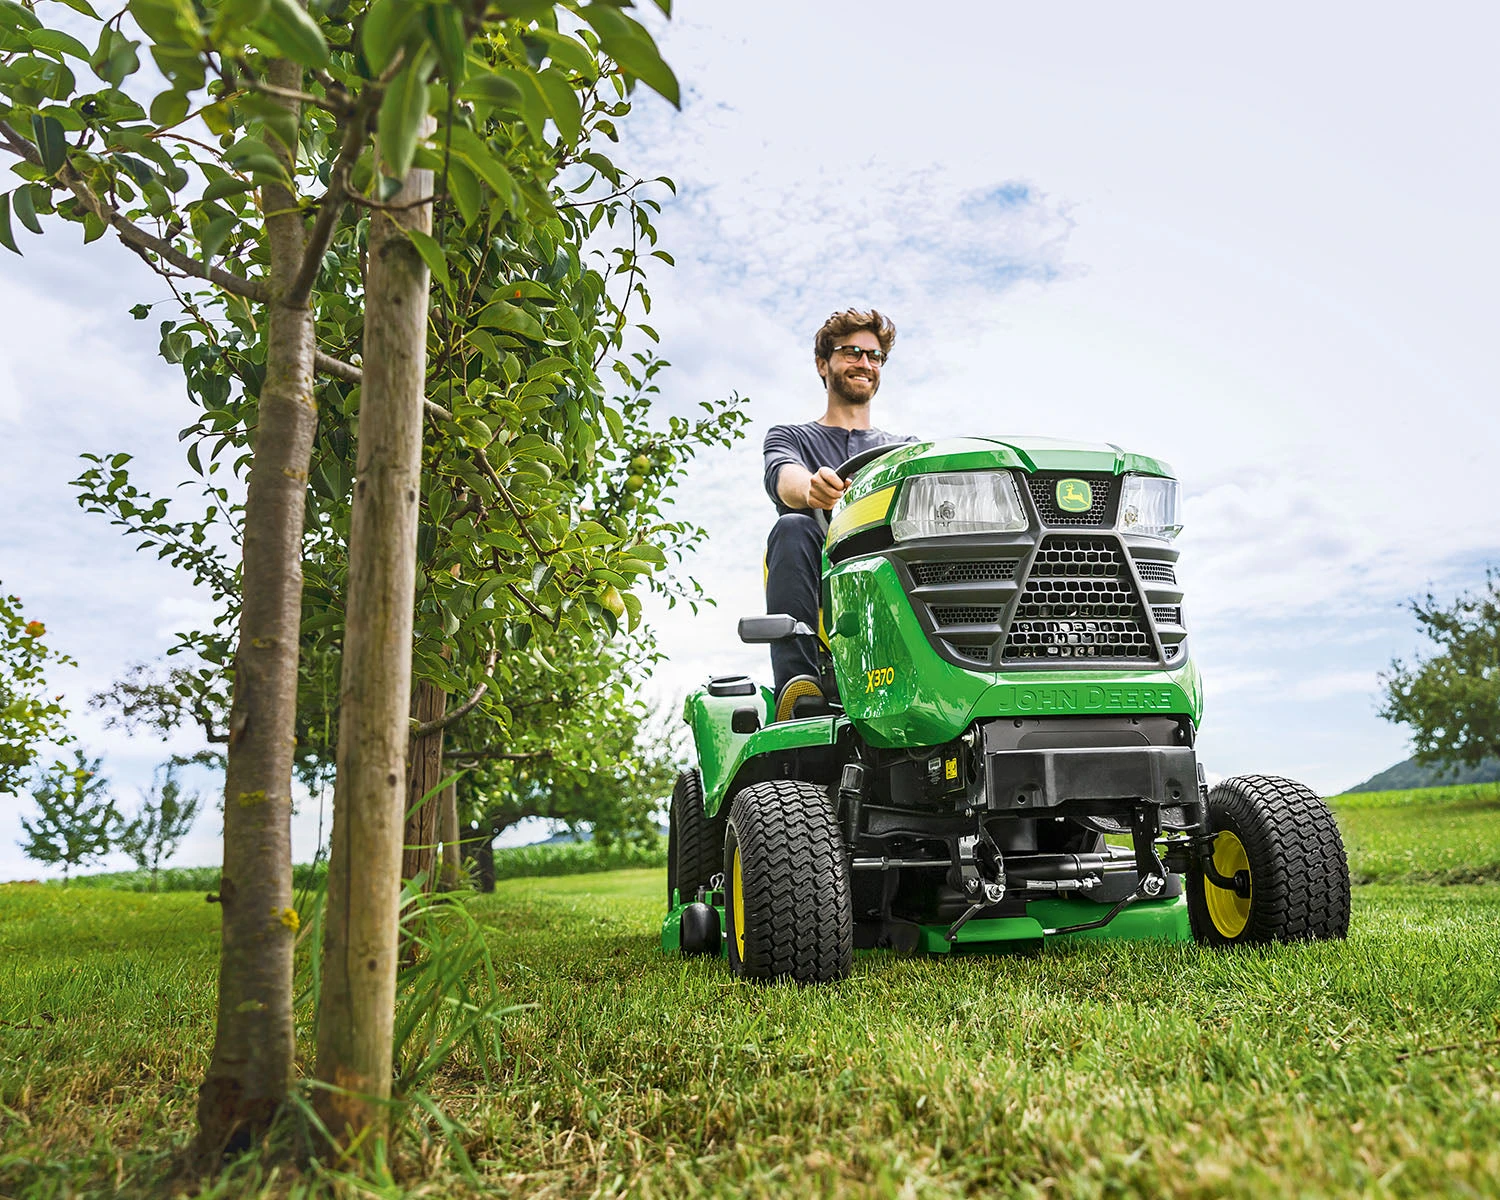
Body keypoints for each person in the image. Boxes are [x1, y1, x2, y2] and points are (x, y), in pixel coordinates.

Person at [761, 308, 915, 696]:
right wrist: (811, 489)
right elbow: (784, 476)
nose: (865, 363)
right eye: (851, 352)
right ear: (822, 364)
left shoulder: (905, 452)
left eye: (874, 356)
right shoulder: (791, 437)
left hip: (891, 587)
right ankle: (799, 686)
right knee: (792, 525)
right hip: (823, 585)